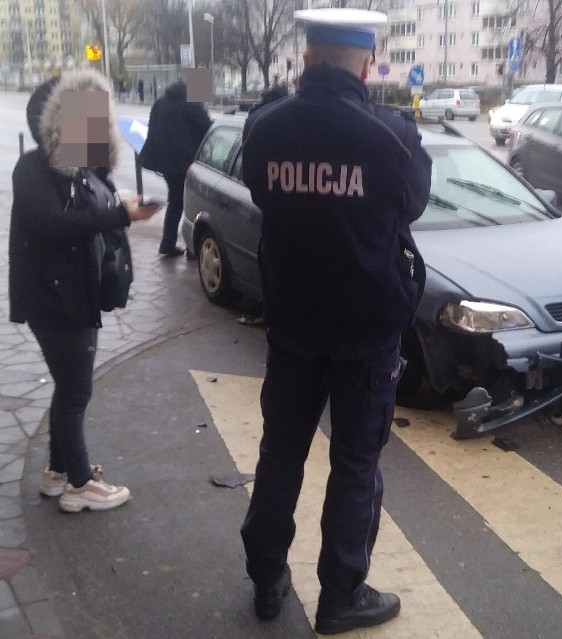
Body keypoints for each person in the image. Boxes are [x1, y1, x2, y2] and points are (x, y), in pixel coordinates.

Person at [238, 8, 431, 634]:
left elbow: (263, 195)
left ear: (306, 57)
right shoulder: (389, 139)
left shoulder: (265, 128)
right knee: (354, 466)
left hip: (293, 326)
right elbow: (414, 206)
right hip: (366, 336)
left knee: (280, 455)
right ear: (366, 65)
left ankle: (268, 577)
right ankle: (340, 594)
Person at [9, 70, 163, 512]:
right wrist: (120, 216)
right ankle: (78, 484)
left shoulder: (80, 168)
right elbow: (55, 226)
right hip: (52, 298)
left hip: (73, 293)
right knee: (76, 391)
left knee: (68, 385)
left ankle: (58, 472)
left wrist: (121, 203)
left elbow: (92, 209)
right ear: (55, 121)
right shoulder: (33, 169)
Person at [139, 78, 212, 257]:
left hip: (166, 164)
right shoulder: (190, 105)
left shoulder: (160, 103)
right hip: (185, 163)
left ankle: (169, 242)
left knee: (176, 201)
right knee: (188, 203)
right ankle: (189, 247)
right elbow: (207, 127)